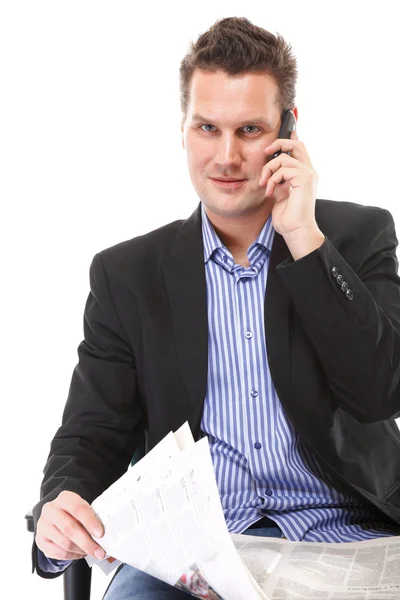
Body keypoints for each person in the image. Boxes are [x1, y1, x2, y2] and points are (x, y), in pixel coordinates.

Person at [32, 15, 400, 599]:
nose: (226, 156)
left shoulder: (356, 238)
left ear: (288, 130)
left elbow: (379, 391)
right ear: (182, 130)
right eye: (207, 127)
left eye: (250, 129)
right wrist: (62, 503)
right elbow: (93, 431)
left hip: (344, 538)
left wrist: (304, 240)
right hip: (193, 551)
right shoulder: (126, 275)